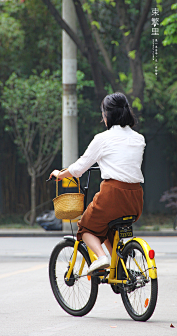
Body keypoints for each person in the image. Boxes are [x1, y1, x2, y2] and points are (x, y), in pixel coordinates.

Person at [49, 92, 145, 275]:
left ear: (107, 115)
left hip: (113, 196)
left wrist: (60, 174)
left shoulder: (102, 139)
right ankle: (120, 270)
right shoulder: (139, 138)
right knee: (107, 226)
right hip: (135, 200)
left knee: (85, 227)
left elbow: (78, 169)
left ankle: (102, 258)